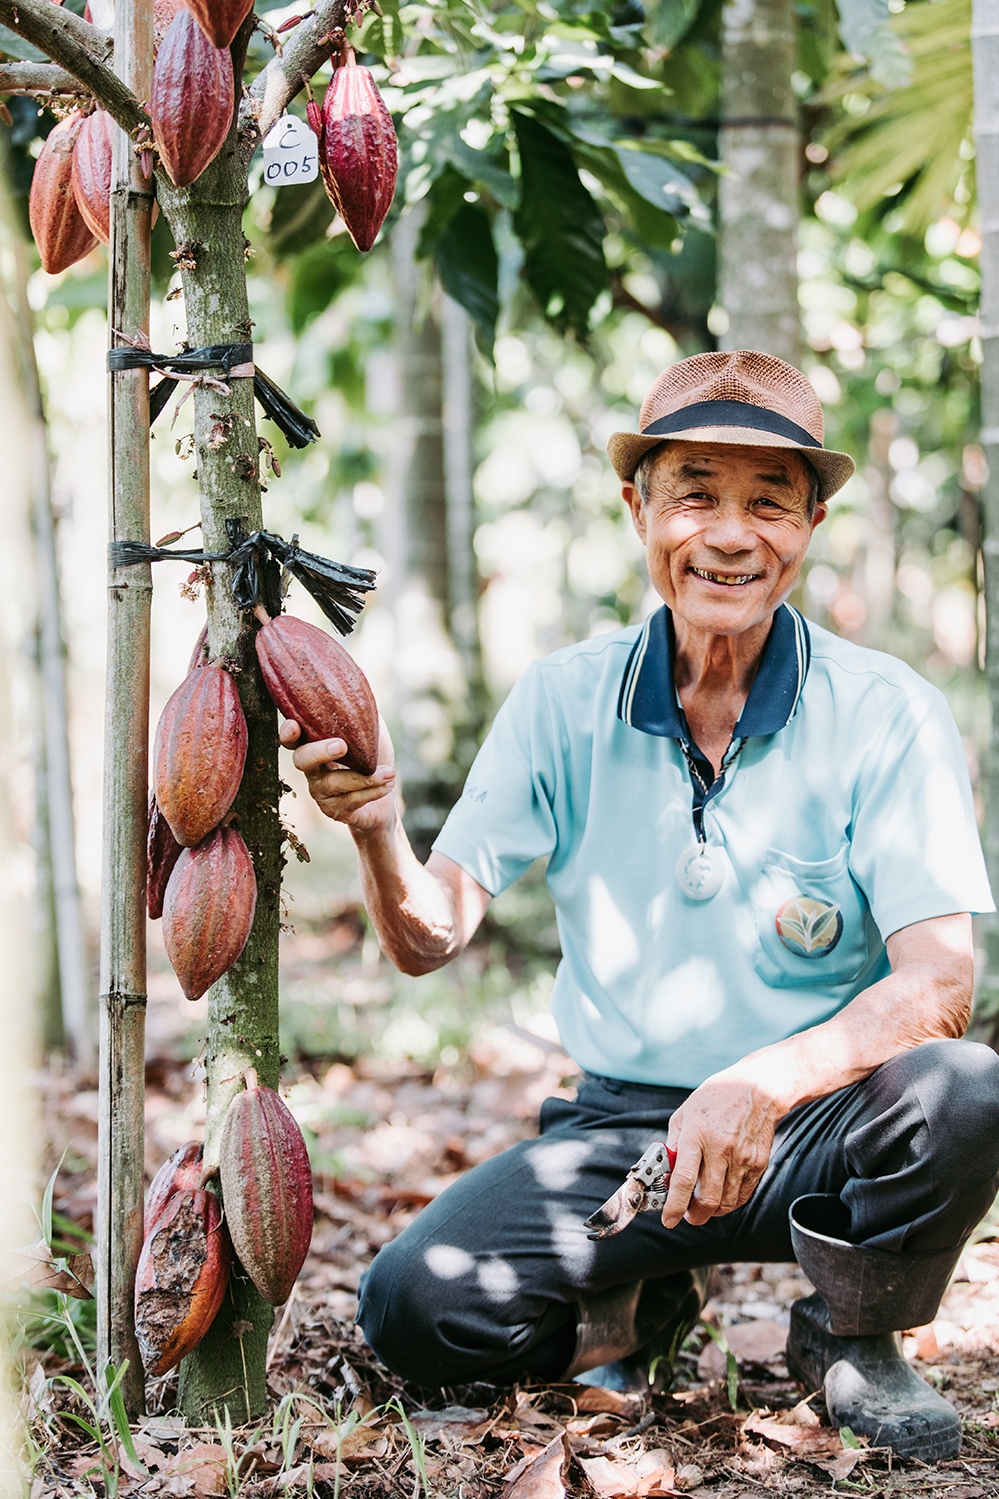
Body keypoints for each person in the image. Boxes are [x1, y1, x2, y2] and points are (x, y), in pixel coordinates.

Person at [281, 351, 999, 1462]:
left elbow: (942, 983)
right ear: (639, 509)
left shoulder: (886, 712)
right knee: (415, 1307)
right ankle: (639, 1296)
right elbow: (431, 933)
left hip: (818, 1123)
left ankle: (855, 1330)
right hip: (624, 1135)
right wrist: (376, 829)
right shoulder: (564, 698)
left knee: (962, 1090)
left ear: (809, 524)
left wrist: (757, 1083)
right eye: (696, 493)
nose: (730, 534)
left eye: (769, 501)